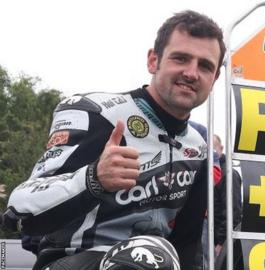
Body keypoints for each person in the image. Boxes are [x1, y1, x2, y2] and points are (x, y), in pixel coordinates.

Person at [3, 10, 225, 270]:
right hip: (73, 260)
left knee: (156, 256)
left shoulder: (198, 148)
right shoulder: (96, 112)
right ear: (153, 61)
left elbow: (186, 244)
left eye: (205, 66)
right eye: (181, 59)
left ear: (215, 79)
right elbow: (19, 207)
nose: (191, 73)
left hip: (155, 260)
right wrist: (92, 180)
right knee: (147, 258)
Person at [200, 135, 242, 269]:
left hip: (217, 241)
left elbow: (233, 211)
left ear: (221, 148)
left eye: (213, 148)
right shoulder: (205, 172)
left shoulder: (228, 173)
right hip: (206, 238)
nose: (210, 152)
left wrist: (222, 242)